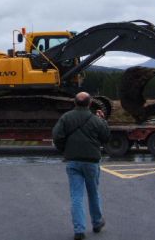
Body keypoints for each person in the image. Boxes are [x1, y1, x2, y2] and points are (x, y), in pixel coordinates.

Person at [52, 92, 111, 240]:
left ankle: (79, 230)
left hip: (73, 162)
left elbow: (57, 136)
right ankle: (97, 223)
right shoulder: (95, 119)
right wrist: (103, 121)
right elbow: (105, 137)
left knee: (76, 196)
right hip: (91, 161)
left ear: (75, 103)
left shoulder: (66, 117)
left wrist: (65, 150)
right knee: (93, 193)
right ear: (90, 103)